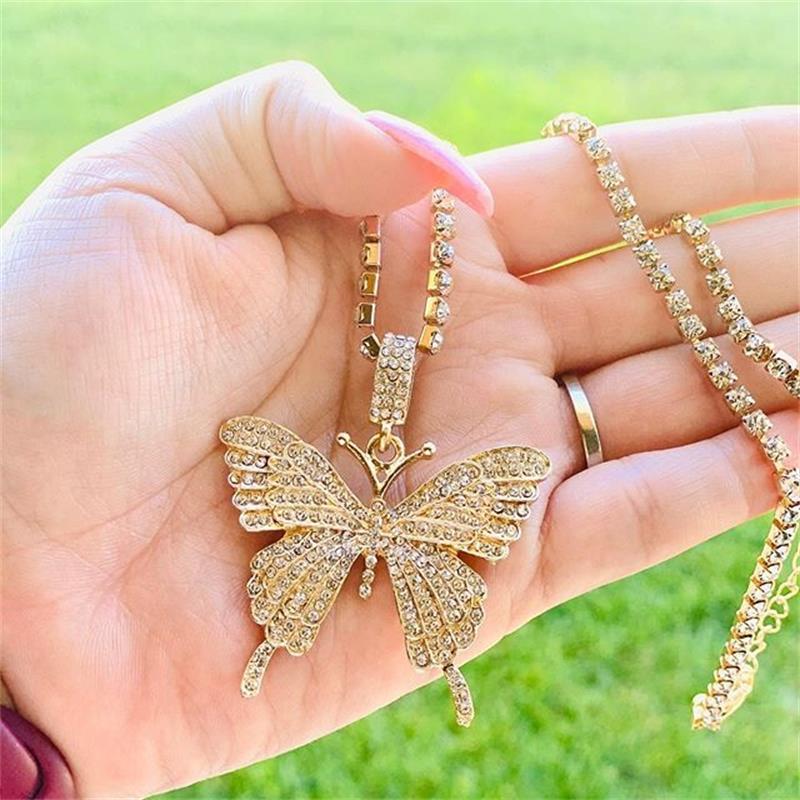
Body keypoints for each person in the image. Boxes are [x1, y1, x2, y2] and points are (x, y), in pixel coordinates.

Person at [2, 62, 797, 798]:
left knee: (374, 606)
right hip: (384, 544)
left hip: (338, 541)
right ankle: (366, 659)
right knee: (360, 608)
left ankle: (390, 661)